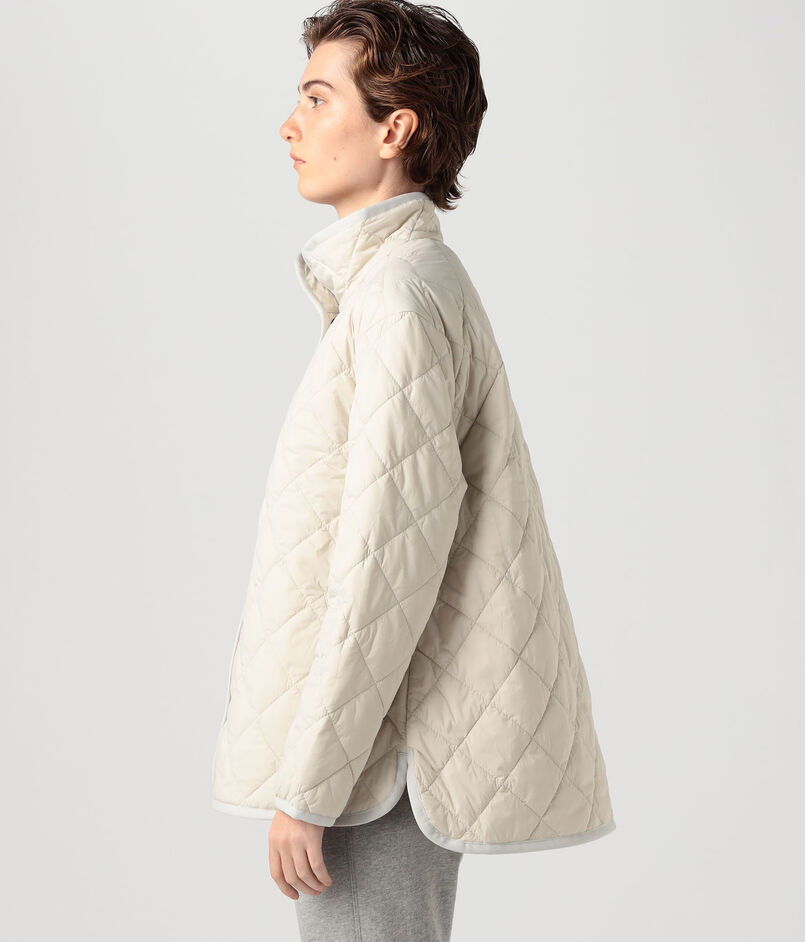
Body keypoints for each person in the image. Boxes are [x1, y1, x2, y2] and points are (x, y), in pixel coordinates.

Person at [211, 2, 616, 940]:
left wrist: (311, 786)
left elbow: (386, 568)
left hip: (378, 763)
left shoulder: (396, 297)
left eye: (317, 98)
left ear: (395, 129)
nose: (289, 125)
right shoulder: (398, 287)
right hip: (378, 746)